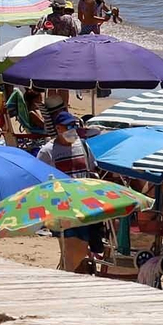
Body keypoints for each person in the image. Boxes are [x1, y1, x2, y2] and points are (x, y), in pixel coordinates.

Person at [37, 112, 100, 271]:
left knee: (79, 248)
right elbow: (40, 179)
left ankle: (63, 274)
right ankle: (65, 276)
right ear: (58, 128)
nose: (73, 130)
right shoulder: (48, 152)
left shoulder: (83, 145)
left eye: (74, 126)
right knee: (73, 248)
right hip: (61, 207)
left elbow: (91, 169)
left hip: (84, 205)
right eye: (69, 126)